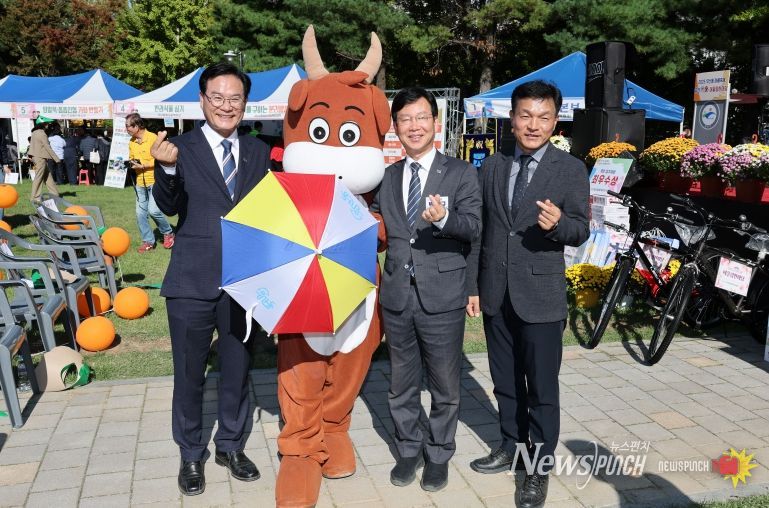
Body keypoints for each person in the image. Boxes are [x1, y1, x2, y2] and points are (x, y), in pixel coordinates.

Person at [466, 80, 589, 508]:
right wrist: (474, 287)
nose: (533, 125)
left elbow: (581, 228)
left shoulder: (570, 169)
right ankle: (510, 445)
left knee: (541, 388)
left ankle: (538, 467)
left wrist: (559, 225)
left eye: (543, 117)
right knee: (505, 383)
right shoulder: (494, 165)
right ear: (512, 118)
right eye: (525, 115)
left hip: (540, 295)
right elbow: (481, 231)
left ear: (555, 121)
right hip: (497, 293)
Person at [151, 62, 270, 496]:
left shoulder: (258, 152)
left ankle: (231, 446)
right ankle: (190, 455)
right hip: (191, 280)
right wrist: (164, 170)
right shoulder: (179, 147)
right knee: (189, 373)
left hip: (241, 281)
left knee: (238, 368)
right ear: (202, 100)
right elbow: (168, 206)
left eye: (234, 98)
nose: (226, 106)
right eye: (217, 97)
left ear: (244, 104)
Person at [371, 87, 481, 492]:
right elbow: (380, 227)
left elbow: (473, 229)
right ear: (395, 128)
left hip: (443, 295)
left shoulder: (461, 173)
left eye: (421, 118)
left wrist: (445, 219)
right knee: (400, 381)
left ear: (436, 123)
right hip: (398, 295)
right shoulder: (387, 177)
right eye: (405, 119)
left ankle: (438, 454)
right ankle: (407, 449)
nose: (414, 126)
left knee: (445, 384)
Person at [126, 113, 175, 253]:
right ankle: (148, 241)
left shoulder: (154, 138)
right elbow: (132, 158)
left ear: (137, 126)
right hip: (139, 183)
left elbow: (161, 159)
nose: (126, 129)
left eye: (128, 126)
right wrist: (131, 163)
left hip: (154, 181)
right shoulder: (131, 141)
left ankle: (168, 232)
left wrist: (144, 166)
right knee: (140, 214)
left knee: (153, 210)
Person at [28, 122, 60, 199]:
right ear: (44, 125)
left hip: (36, 157)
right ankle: (35, 197)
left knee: (48, 177)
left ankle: (55, 194)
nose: (48, 125)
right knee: (38, 178)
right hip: (40, 158)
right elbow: (47, 147)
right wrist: (57, 159)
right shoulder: (42, 134)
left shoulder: (34, 132)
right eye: (47, 124)